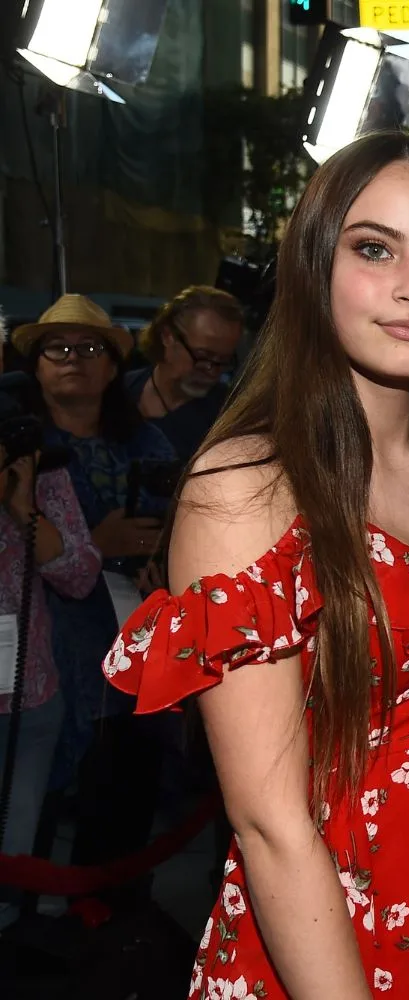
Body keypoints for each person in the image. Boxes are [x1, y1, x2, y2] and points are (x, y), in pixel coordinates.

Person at [101, 132, 409, 999]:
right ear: (314, 265)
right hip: (338, 930)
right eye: (375, 248)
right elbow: (270, 823)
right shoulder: (248, 487)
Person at [11, 294, 177, 910]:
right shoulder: (22, 447)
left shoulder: (148, 441)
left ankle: (109, 910)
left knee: (126, 779)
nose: (74, 361)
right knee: (39, 791)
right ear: (37, 366)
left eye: (90, 349)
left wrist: (161, 549)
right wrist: (92, 542)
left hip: (136, 629)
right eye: (59, 349)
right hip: (44, 641)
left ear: (113, 366)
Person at [0, 311, 102, 930]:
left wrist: (20, 504)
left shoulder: (42, 467)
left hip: (30, 699)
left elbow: (80, 572)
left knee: (13, 863)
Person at [127, 285, 245, 460]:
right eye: (202, 356)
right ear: (168, 336)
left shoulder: (229, 416)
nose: (211, 371)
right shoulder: (118, 391)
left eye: (223, 361)